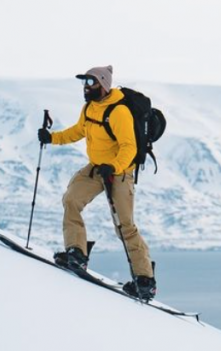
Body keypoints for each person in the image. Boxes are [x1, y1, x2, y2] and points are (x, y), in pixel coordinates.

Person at [37, 65, 156, 300]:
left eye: (90, 83)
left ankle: (145, 280)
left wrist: (114, 167)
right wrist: (52, 138)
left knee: (125, 226)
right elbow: (77, 131)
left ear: (103, 84)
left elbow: (129, 147)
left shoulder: (119, 111)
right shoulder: (90, 108)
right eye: (84, 83)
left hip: (119, 173)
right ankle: (77, 253)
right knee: (71, 199)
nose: (85, 88)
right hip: (96, 168)